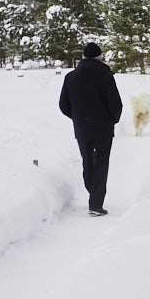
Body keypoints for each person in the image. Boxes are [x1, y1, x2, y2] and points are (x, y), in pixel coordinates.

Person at [58, 43, 123, 217]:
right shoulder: (106, 76)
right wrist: (112, 119)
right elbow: (115, 103)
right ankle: (95, 203)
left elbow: (63, 105)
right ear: (100, 57)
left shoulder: (71, 77)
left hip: (82, 128)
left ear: (83, 57)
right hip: (103, 127)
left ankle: (92, 191)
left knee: (87, 161)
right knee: (101, 163)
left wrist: (77, 117)